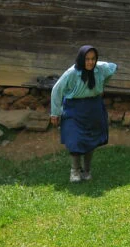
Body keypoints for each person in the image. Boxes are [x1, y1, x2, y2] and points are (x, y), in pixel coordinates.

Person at [50, 45, 118, 183]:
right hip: (74, 108)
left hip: (93, 107)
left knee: (90, 139)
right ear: (81, 59)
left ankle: (87, 171)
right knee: (74, 139)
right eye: (87, 59)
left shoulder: (100, 69)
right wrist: (55, 113)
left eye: (93, 59)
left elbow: (112, 68)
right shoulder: (72, 73)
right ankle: (74, 171)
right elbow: (57, 90)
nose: (90, 62)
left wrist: (102, 84)